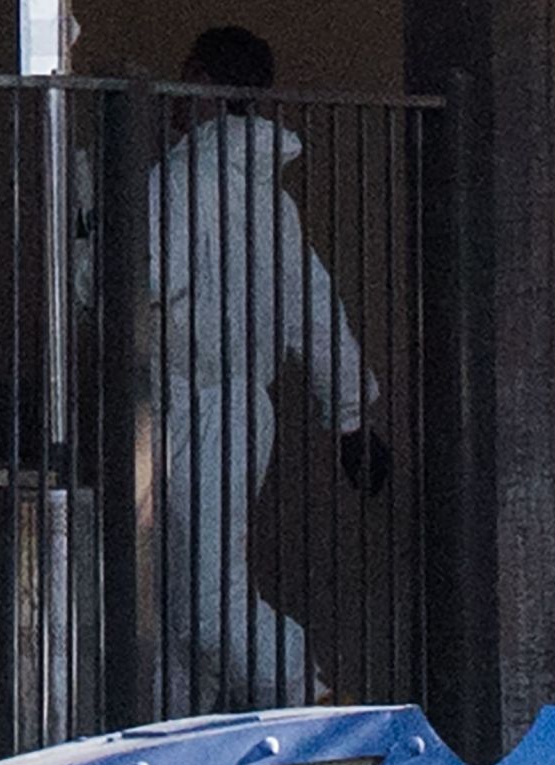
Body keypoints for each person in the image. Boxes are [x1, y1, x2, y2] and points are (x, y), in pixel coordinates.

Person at [148, 26, 390, 711]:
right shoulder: (268, 200)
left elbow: (139, 281)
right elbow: (312, 305)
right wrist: (348, 417)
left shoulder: (181, 181)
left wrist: (82, 235)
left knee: (196, 607)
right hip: (237, 407)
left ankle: (305, 697)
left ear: (197, 81)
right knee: (183, 604)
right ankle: (196, 743)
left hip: (187, 405)